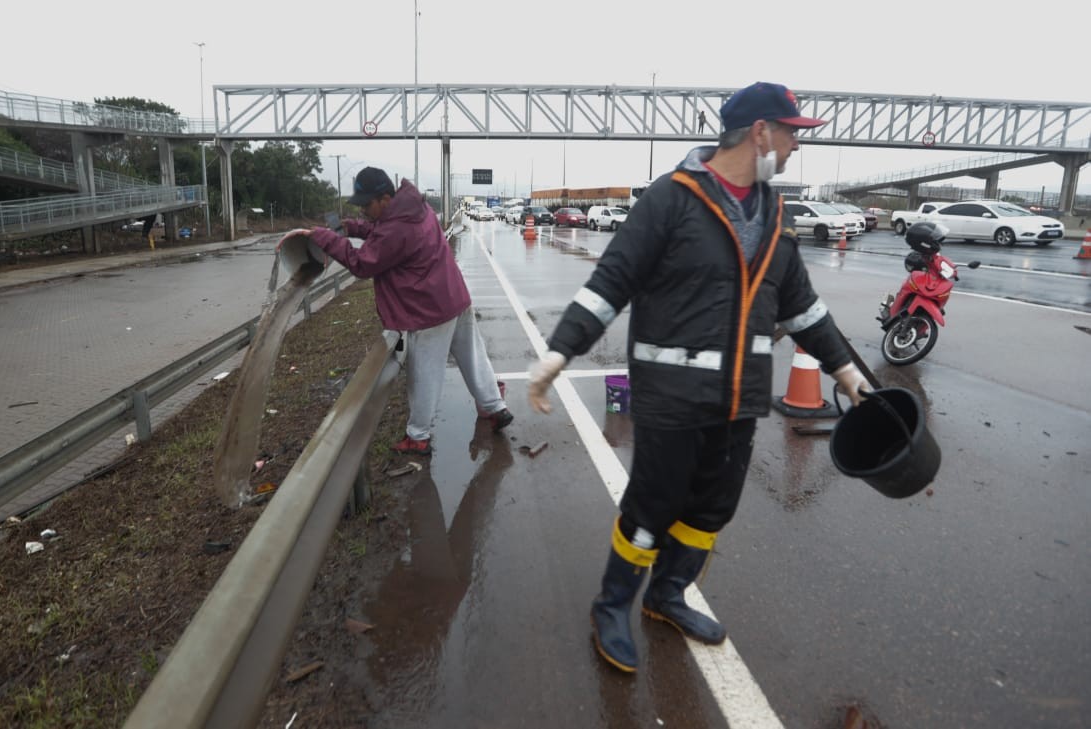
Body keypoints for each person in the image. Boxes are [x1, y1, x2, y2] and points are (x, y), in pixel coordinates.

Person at [526, 81, 871, 673]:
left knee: (712, 509)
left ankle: (667, 595)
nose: (795, 147)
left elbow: (802, 309)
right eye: (791, 134)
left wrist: (846, 372)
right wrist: (559, 354)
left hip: (738, 400)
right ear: (760, 131)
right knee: (651, 507)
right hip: (671, 398)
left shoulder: (777, 214)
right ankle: (612, 605)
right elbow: (611, 283)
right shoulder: (671, 200)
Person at [286, 166, 513, 455]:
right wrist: (352, 228)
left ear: (384, 198)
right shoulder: (417, 208)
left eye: (367, 205)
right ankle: (495, 407)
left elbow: (363, 264)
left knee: (425, 374)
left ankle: (418, 435)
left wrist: (327, 239)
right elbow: (382, 232)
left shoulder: (396, 227)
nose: (365, 210)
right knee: (473, 357)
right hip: (455, 296)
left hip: (429, 311)